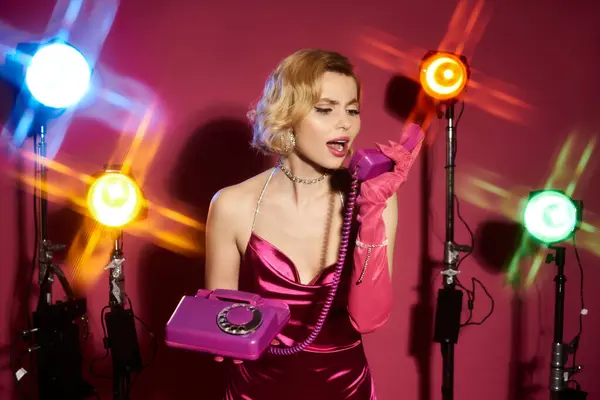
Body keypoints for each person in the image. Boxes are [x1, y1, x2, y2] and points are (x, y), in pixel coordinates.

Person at [204, 48, 430, 400]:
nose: (346, 123)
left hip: (346, 391)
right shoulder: (232, 205)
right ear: (287, 115)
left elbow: (368, 321)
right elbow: (222, 333)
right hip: (255, 393)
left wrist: (371, 215)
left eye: (352, 110)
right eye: (325, 109)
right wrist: (214, 333)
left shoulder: (374, 199)